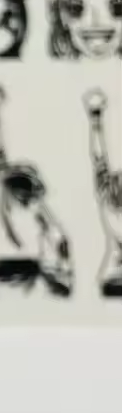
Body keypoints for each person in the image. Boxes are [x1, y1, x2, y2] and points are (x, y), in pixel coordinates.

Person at [0, 84, 73, 297]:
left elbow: (59, 238)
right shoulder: (8, 192)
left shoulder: (30, 203)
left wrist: (63, 267)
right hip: (10, 269)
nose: (22, 195)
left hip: (19, 270)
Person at [83, 88, 122, 296]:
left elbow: (100, 162)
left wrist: (96, 119)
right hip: (113, 279)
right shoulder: (110, 202)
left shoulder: (109, 202)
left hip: (111, 277)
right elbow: (100, 162)